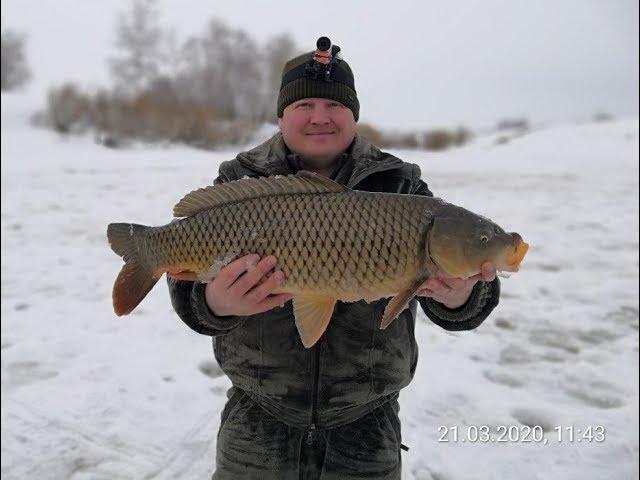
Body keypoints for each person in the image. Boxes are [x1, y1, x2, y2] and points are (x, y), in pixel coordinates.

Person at [168, 37, 500, 480]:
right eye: (305, 103)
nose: (320, 116)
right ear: (282, 115)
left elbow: (462, 307)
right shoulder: (242, 179)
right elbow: (187, 282)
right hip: (257, 415)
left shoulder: (401, 186)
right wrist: (215, 305)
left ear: (354, 114)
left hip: (366, 424)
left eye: (334, 105)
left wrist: (460, 297)